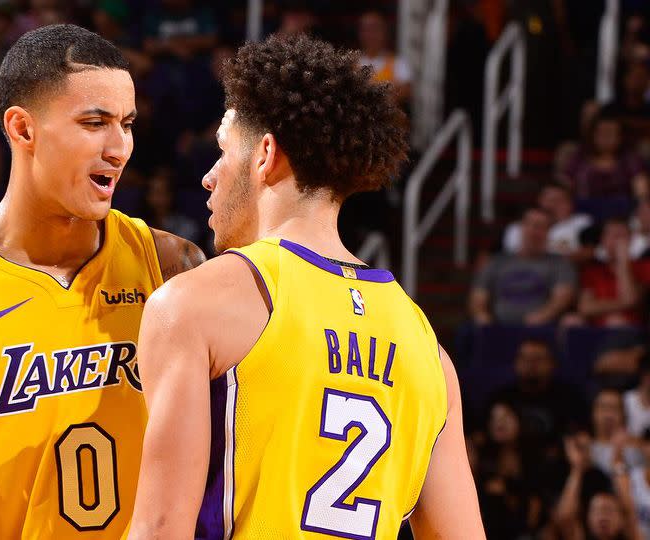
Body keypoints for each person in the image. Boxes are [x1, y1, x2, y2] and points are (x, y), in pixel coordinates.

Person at [127, 34, 483, 538]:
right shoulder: (430, 352)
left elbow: (161, 528)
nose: (208, 177)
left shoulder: (193, 304)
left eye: (223, 152)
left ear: (265, 154)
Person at [0, 24, 203, 539]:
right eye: (94, 122)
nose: (119, 148)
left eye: (128, 124)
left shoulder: (170, 265)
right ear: (23, 129)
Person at [469, 207, 577, 326]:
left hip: (540, 328)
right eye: (529, 225)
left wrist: (543, 316)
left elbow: (561, 297)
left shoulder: (560, 264)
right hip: (497, 327)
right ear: (521, 227)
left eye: (540, 227)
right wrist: (481, 315)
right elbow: (479, 294)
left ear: (548, 232)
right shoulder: (497, 262)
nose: (533, 231)